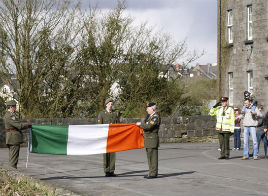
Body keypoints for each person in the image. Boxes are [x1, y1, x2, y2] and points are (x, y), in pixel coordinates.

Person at [4, 100, 31, 169]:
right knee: (13, 160)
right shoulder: (10, 116)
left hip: (12, 138)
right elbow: (19, 125)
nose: (15, 108)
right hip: (13, 139)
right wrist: (27, 124)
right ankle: (12, 175)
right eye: (14, 107)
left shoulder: (11, 115)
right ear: (11, 107)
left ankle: (12, 175)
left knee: (13, 158)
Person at [136, 102, 161, 179]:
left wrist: (140, 124)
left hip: (152, 140)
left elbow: (149, 126)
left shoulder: (155, 117)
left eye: (148, 108)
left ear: (152, 109)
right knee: (149, 157)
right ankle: (151, 172)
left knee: (153, 157)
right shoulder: (149, 117)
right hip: (148, 140)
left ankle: (153, 173)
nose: (146, 110)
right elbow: (146, 124)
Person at [97, 98, 120, 177]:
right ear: (106, 104)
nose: (111, 106)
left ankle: (111, 170)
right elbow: (100, 126)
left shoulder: (114, 114)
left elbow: (117, 124)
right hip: (105, 137)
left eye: (112, 104)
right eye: (109, 104)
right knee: (106, 154)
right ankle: (106, 170)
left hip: (113, 136)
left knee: (113, 154)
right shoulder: (102, 114)